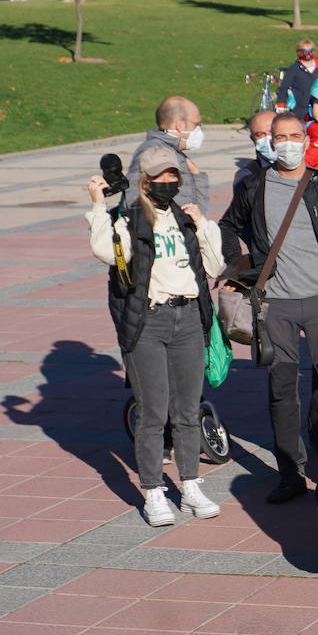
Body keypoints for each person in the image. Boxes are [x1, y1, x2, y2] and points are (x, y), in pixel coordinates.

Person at [87, 151, 224, 527]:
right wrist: (99, 208)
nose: (170, 182)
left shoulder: (184, 218)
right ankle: (153, 491)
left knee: (187, 410)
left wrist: (204, 225)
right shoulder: (131, 219)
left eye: (174, 176)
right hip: (150, 321)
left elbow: (214, 266)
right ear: (146, 182)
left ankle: (191, 484)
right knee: (152, 412)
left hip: (189, 319)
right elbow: (108, 254)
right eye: (161, 176)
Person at [219, 112, 318, 504]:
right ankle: (290, 472)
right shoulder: (254, 187)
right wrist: (239, 266)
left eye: (295, 136)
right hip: (275, 303)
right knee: (281, 389)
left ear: (307, 142)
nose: (288, 143)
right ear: (269, 143)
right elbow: (228, 226)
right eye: (281, 137)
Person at [127, 96, 210, 214]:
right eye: (197, 124)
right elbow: (133, 198)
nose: (200, 129)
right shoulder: (153, 151)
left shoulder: (174, 151)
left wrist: (197, 175)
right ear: (180, 125)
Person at [277, 39, 318, 121]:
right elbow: (284, 87)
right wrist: (281, 105)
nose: (307, 54)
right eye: (304, 51)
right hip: (300, 108)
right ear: (298, 52)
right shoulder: (294, 68)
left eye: (310, 51)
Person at [235, 110, 277, 192]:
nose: (268, 138)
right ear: (253, 139)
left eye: (272, 132)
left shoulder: (303, 169)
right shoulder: (246, 177)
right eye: (260, 134)